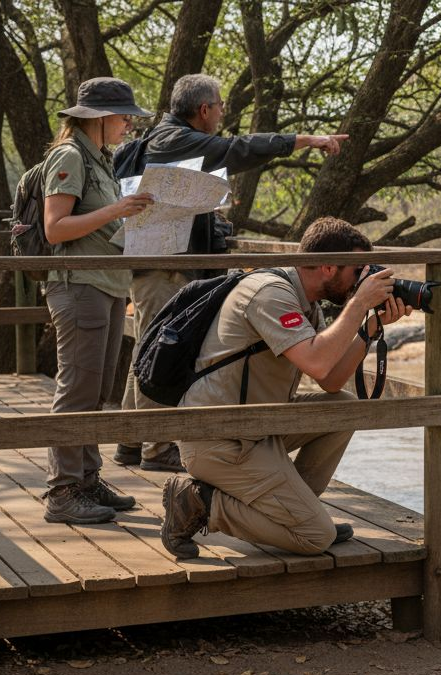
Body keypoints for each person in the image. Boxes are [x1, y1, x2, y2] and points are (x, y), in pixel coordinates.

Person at [114, 73, 350, 473]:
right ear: (204, 109)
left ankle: (131, 440)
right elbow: (237, 149)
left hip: (162, 266)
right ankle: (155, 446)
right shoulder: (175, 140)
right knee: (161, 348)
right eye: (220, 106)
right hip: (162, 270)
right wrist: (305, 141)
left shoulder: (167, 138)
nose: (222, 112)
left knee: (150, 346)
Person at [160, 217, 411, 558]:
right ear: (327, 266)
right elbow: (317, 362)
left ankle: (296, 513)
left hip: (257, 429)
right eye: (357, 271)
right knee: (314, 537)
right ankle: (198, 502)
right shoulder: (270, 293)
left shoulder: (303, 298)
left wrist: (370, 327)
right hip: (219, 438)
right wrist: (357, 305)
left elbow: (330, 380)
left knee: (343, 407)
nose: (360, 280)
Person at [41, 77, 157, 524]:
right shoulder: (70, 156)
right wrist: (118, 211)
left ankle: (87, 479)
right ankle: (63, 492)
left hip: (107, 284)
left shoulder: (101, 159)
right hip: (79, 285)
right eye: (125, 116)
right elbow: (56, 228)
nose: (129, 123)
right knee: (76, 392)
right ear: (100, 118)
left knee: (95, 392)